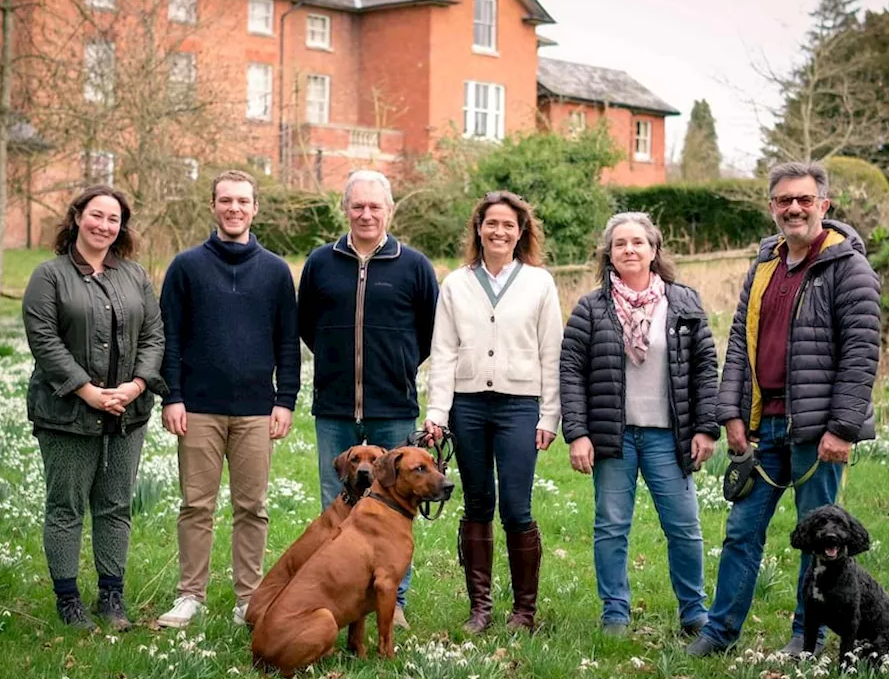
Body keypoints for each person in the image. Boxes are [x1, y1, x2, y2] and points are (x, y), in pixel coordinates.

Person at [688, 160, 881, 658]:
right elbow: (738, 345)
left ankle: (805, 637)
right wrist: (730, 413)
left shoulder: (848, 267)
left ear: (824, 205)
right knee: (740, 532)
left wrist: (842, 428)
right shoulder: (764, 267)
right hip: (764, 428)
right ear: (771, 206)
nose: (793, 208)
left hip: (817, 432)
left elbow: (861, 355)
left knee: (820, 540)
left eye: (804, 199)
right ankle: (719, 632)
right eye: (783, 200)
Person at [559, 212, 718, 637]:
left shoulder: (683, 302)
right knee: (611, 526)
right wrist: (577, 433)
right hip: (614, 437)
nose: (629, 250)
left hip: (670, 435)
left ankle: (694, 611)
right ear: (609, 255)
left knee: (684, 525)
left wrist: (707, 426)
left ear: (653, 250)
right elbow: (571, 371)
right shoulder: (591, 308)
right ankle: (615, 612)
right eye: (620, 244)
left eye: (637, 243)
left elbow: (705, 367)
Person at [154, 170, 300, 629]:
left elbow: (287, 343)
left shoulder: (276, 271)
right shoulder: (186, 267)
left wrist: (286, 400)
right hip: (197, 407)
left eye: (242, 201)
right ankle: (190, 595)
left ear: (255, 208)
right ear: (213, 206)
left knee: (251, 507)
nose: (234, 208)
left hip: (258, 409)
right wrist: (172, 396)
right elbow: (169, 337)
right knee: (196, 504)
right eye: (225, 200)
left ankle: (249, 599)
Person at [296, 169, 439, 629]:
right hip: (335, 406)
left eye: (375, 206)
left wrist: (395, 366)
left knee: (397, 505)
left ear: (390, 210)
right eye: (358, 205)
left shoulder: (413, 265)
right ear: (346, 209)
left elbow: (431, 331)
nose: (366, 214)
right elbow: (307, 325)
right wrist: (340, 366)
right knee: (336, 501)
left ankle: (393, 599)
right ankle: (339, 593)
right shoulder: (320, 262)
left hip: (392, 405)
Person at [22, 185, 166, 632]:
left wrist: (136, 384)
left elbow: (154, 335)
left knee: (115, 504)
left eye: (114, 219)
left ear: (122, 227)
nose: (104, 225)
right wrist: (86, 391)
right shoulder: (50, 276)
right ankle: (68, 600)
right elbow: (44, 340)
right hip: (67, 413)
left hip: (127, 412)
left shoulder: (135, 276)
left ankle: (111, 597)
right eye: (96, 215)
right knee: (66, 506)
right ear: (77, 217)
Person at [423, 191, 562, 633]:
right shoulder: (456, 283)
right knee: (478, 503)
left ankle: (524, 611)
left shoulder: (539, 282)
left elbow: (551, 352)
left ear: (520, 232)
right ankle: (479, 608)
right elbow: (442, 350)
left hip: (519, 406)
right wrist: (438, 411)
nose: (499, 231)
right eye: (491, 224)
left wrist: (549, 415)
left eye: (508, 225)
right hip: (468, 406)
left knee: (517, 508)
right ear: (478, 229)